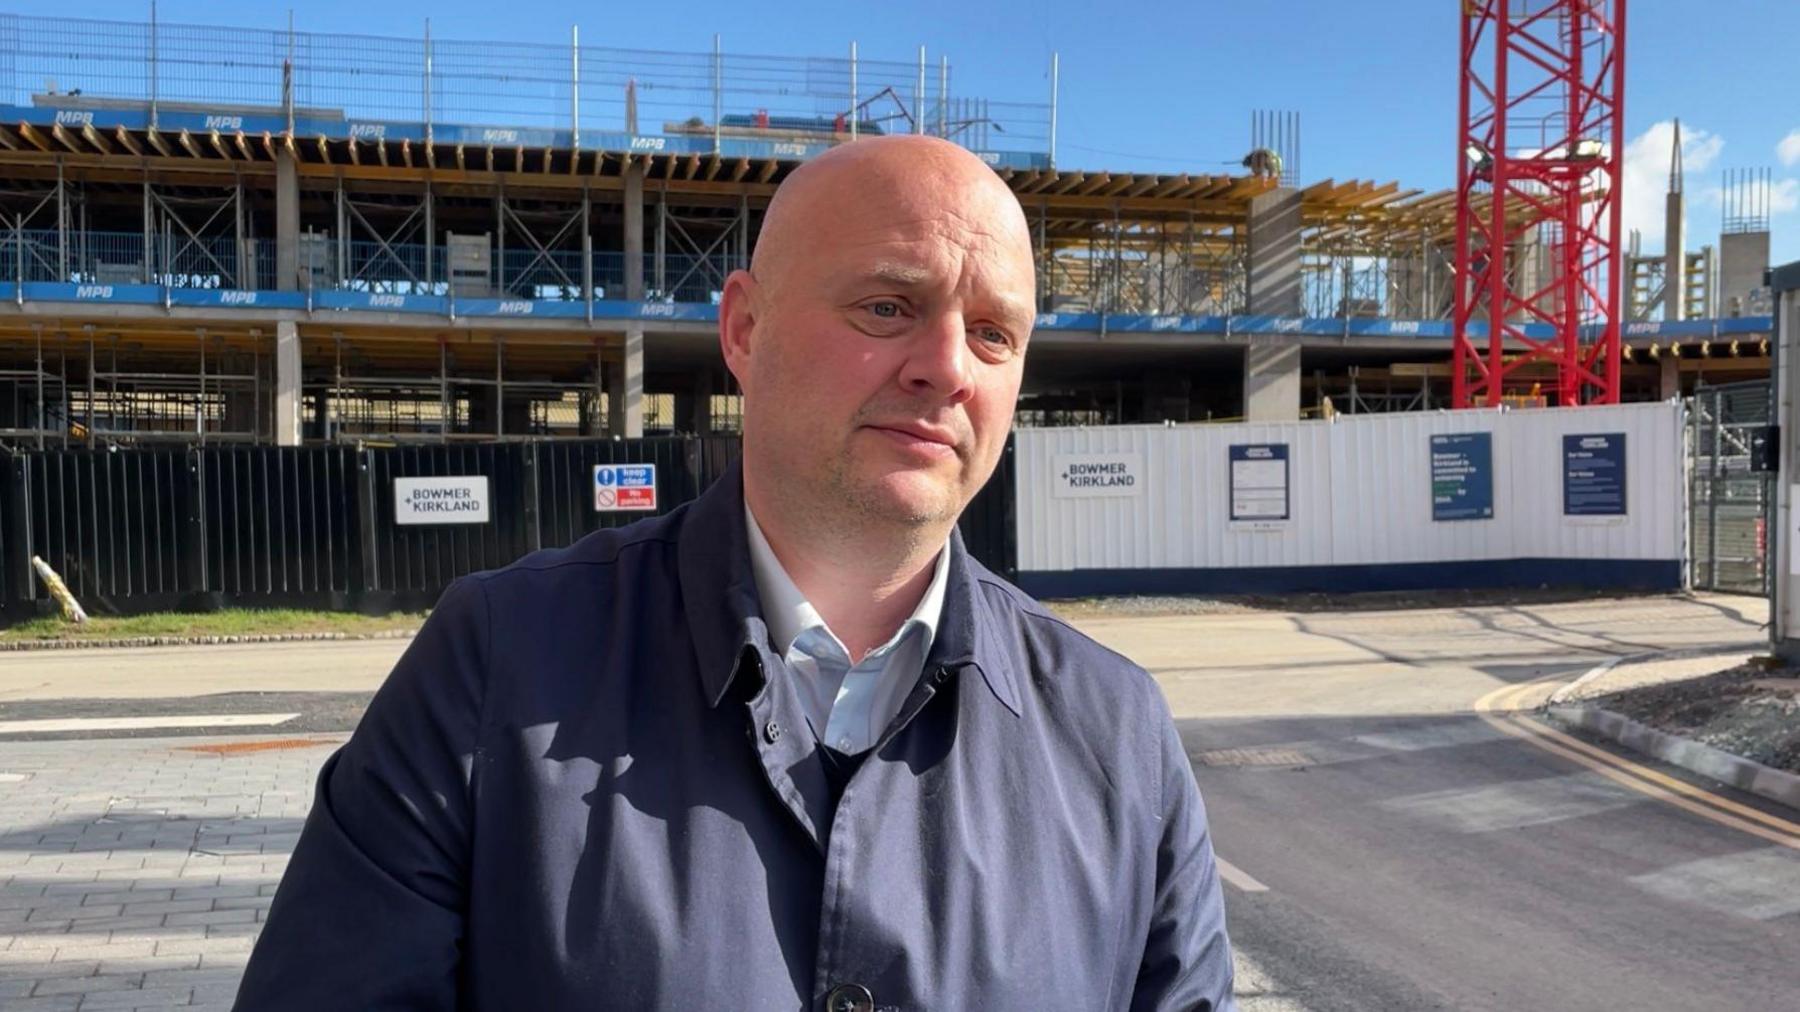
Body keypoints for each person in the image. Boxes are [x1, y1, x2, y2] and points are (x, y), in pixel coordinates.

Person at [233, 134, 1235, 1011]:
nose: (948, 367)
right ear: (745, 331)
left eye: (993, 333)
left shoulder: (1119, 736)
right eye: (889, 305)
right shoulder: (497, 668)